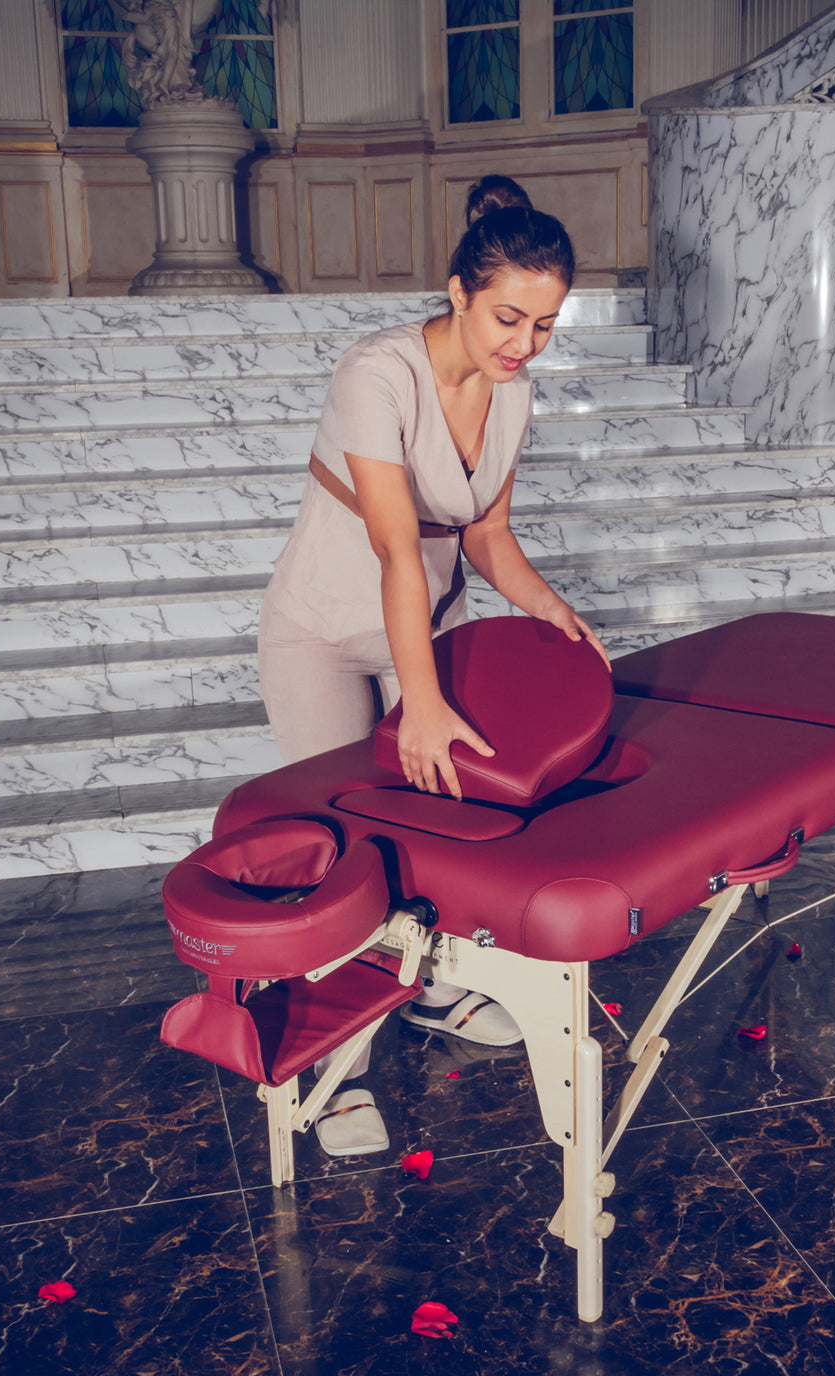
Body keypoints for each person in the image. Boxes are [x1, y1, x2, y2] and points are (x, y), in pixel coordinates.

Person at [257, 175, 609, 1156]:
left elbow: (485, 535)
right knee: (339, 849)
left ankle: (432, 989)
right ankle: (336, 1075)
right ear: (458, 292)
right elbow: (395, 549)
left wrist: (549, 607)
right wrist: (421, 702)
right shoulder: (376, 373)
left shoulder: (512, 391)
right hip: (325, 633)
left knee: (432, 833)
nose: (523, 344)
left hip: (429, 628)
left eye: (544, 326)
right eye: (508, 318)